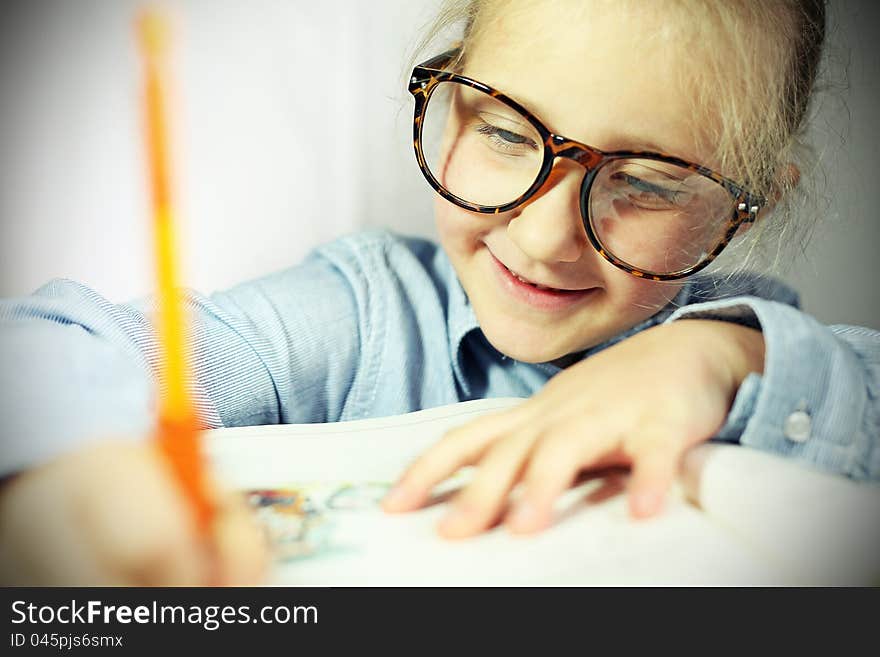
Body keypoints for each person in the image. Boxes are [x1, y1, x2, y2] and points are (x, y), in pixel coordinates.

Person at [0, 0, 877, 585]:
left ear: (747, 208)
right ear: (451, 106)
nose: (540, 236)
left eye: (645, 183)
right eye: (503, 131)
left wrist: (726, 352)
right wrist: (69, 469)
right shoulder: (364, 312)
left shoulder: (749, 356)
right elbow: (49, 346)